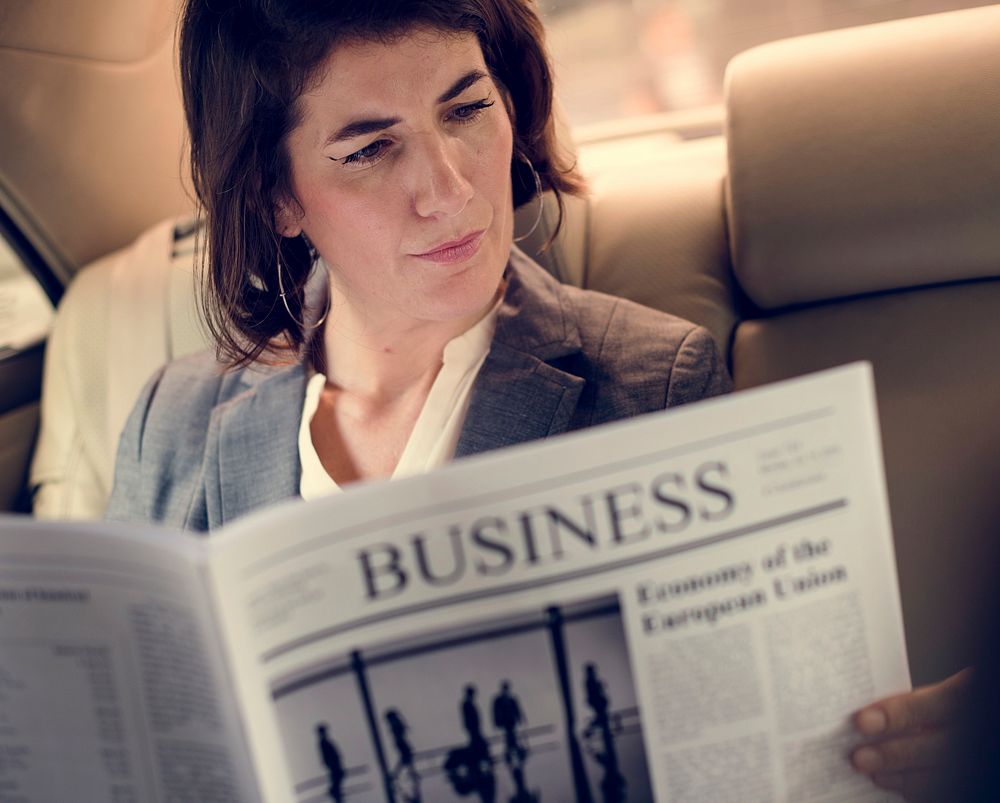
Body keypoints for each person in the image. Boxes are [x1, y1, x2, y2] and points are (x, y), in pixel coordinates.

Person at [104, 0, 731, 531]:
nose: (450, 192)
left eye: (468, 110)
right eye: (371, 150)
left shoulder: (657, 387)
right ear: (276, 198)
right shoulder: (171, 421)